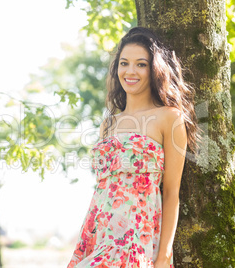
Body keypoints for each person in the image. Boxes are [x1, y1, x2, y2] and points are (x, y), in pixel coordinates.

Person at [67, 27, 201, 268]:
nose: (130, 71)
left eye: (141, 64)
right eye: (124, 63)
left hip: (138, 242)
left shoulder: (169, 118)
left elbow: (171, 193)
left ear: (154, 70)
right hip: (100, 239)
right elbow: (101, 191)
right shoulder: (108, 124)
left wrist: (163, 256)